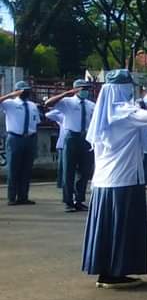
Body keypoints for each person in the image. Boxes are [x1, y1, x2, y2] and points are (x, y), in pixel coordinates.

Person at [81, 69, 147, 289]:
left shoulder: (106, 113)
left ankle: (105, 271)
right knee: (122, 228)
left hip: (104, 181)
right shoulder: (124, 112)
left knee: (106, 228)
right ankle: (116, 273)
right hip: (124, 180)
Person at [46, 79, 96, 213]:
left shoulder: (91, 105)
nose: (86, 91)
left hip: (86, 138)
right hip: (71, 136)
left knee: (85, 171)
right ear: (76, 89)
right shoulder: (67, 102)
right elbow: (48, 103)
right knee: (68, 170)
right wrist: (65, 94)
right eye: (83, 88)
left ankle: (79, 200)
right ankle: (68, 201)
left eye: (87, 88)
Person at [1, 81, 41, 205]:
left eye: (27, 91)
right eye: (23, 91)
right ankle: (12, 197)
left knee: (26, 169)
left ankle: (23, 196)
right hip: (15, 138)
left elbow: (36, 122)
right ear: (17, 91)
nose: (25, 93)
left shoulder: (32, 105)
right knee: (14, 169)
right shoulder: (9, 103)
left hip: (30, 138)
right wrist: (11, 95)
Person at [45, 108, 65, 189]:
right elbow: (48, 114)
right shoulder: (62, 116)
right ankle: (61, 184)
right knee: (62, 166)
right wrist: (60, 109)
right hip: (62, 144)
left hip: (75, 143)